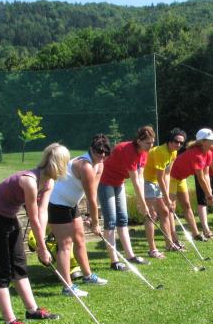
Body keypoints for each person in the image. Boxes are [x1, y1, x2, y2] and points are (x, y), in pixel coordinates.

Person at [0, 143, 68, 324]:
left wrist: (42, 240)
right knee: (3, 270)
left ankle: (32, 310)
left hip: (9, 218)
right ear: (58, 164)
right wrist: (42, 248)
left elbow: (43, 213)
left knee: (19, 265)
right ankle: (9, 322)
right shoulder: (29, 181)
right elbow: (33, 217)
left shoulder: (49, 182)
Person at [48, 134, 111, 297]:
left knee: (80, 239)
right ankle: (67, 287)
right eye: (99, 151)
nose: (102, 155)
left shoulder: (99, 165)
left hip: (71, 204)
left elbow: (94, 192)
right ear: (91, 149)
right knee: (65, 244)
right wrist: (96, 224)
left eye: (105, 152)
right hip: (56, 204)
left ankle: (88, 276)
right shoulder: (85, 166)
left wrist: (91, 215)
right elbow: (90, 198)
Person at [98, 126, 153, 271]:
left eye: (152, 143)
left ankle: (130, 256)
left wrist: (143, 203)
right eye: (148, 143)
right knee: (110, 221)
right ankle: (114, 261)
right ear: (139, 141)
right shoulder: (129, 151)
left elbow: (141, 178)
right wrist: (142, 204)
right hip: (105, 182)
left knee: (123, 219)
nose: (150, 146)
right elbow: (135, 181)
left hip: (119, 182)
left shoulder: (144, 153)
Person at [169, 128, 213, 241]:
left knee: (187, 205)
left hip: (181, 178)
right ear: (203, 142)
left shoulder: (209, 153)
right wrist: (209, 196)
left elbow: (206, 175)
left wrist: (209, 194)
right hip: (171, 177)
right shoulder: (196, 155)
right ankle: (173, 237)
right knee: (171, 208)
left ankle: (196, 234)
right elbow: (200, 178)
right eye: (211, 139)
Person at [143, 128, 185, 257]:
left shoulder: (173, 153)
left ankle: (169, 244)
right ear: (169, 140)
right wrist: (167, 198)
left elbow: (167, 174)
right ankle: (152, 249)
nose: (178, 144)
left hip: (157, 182)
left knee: (165, 212)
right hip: (147, 181)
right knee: (152, 215)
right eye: (175, 141)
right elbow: (160, 177)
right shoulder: (161, 152)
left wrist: (167, 195)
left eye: (181, 143)